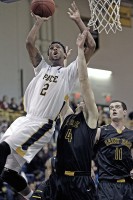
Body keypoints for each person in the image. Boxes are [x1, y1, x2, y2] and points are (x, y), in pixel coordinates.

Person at [0, 2, 94, 199]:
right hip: (25, 120)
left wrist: (78, 21)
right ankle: (30, 196)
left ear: (63, 53)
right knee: (8, 173)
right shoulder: (41, 68)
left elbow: (91, 46)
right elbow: (29, 44)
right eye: (51, 48)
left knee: (2, 149)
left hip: (42, 123)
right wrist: (38, 23)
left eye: (57, 47)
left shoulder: (69, 73)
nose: (53, 49)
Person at [31, 27, 98, 200]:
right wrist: (65, 64)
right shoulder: (67, 115)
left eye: (85, 101)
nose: (83, 102)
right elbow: (63, 90)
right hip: (59, 178)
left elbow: (83, 81)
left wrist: (80, 51)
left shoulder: (90, 120)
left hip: (80, 179)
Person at [95, 100, 133, 200]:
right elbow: (88, 152)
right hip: (107, 184)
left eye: (117, 107)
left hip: (127, 185)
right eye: (111, 108)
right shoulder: (100, 131)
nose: (113, 109)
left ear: (125, 112)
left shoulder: (131, 134)